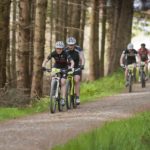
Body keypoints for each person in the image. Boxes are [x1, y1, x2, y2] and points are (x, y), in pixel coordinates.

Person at [42, 41, 74, 106]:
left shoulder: (65, 53)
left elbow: (72, 61)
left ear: (62, 49)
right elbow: (46, 59)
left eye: (60, 49)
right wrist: (43, 66)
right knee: (53, 75)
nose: (59, 50)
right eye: (57, 48)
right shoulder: (53, 53)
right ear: (55, 48)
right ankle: (54, 88)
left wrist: (71, 67)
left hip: (64, 68)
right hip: (56, 67)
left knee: (63, 82)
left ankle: (62, 98)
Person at [65, 37, 85, 105]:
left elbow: (82, 58)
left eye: (72, 45)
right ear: (67, 45)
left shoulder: (78, 49)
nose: (71, 46)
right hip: (67, 66)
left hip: (76, 66)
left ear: (74, 44)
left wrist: (82, 65)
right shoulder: (64, 49)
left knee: (76, 80)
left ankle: (77, 97)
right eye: (69, 45)